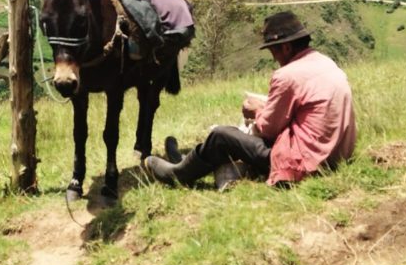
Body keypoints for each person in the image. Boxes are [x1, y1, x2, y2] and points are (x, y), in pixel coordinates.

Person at [143, 10, 356, 189]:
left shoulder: (287, 76)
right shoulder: (327, 63)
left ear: (286, 47)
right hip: (334, 156)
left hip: (302, 162)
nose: (274, 57)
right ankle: (188, 161)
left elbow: (268, 130)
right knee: (231, 136)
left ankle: (178, 173)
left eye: (274, 50)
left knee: (221, 135)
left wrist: (256, 111)